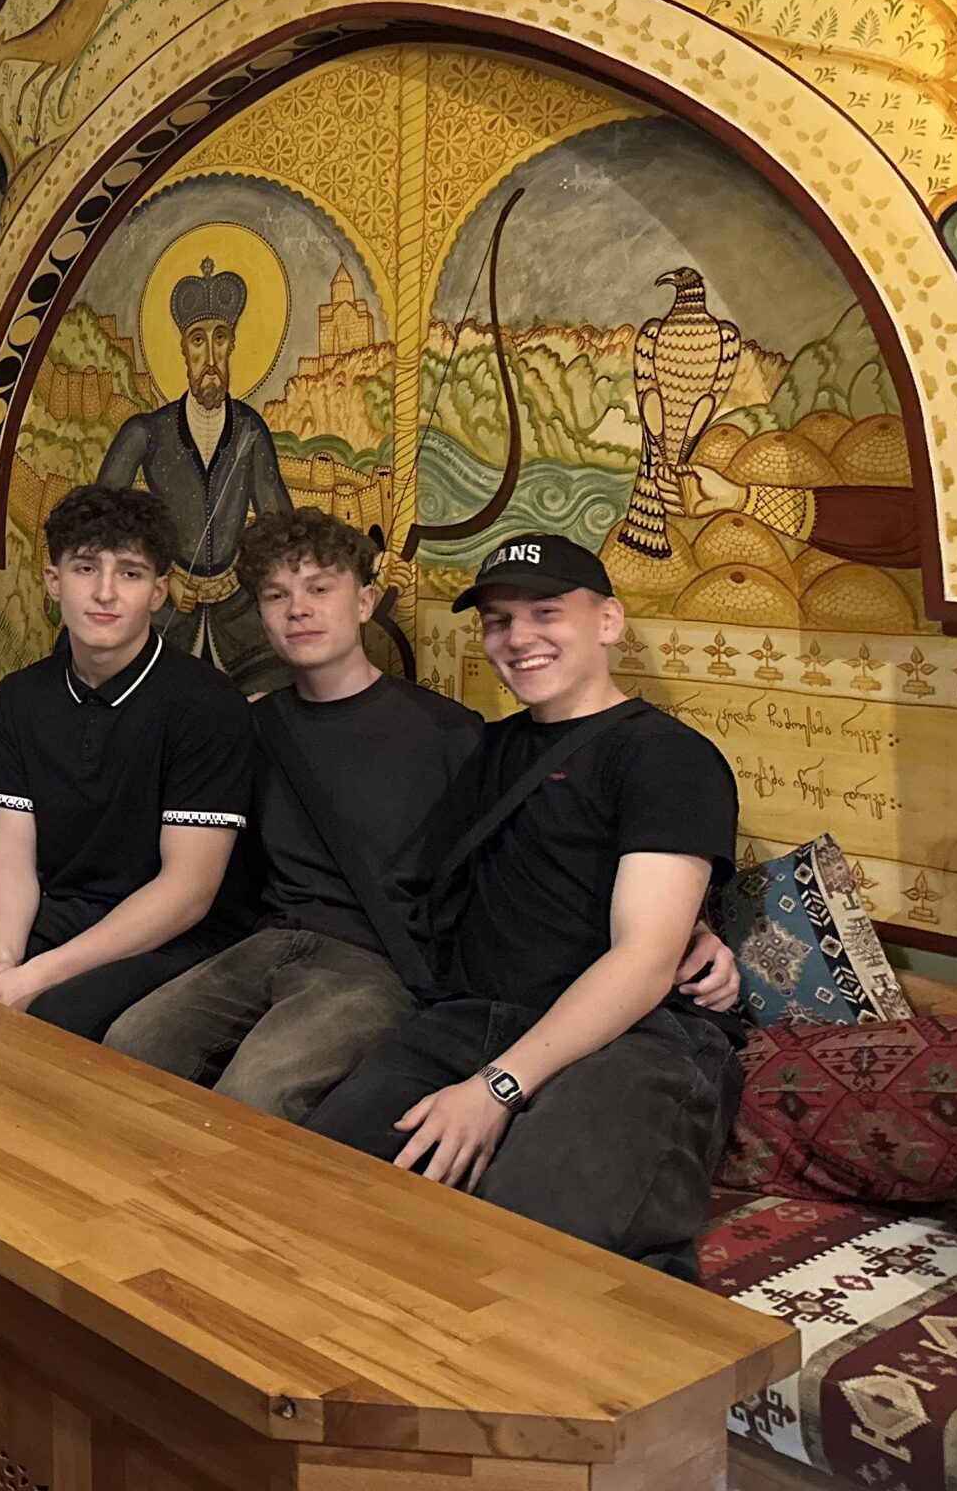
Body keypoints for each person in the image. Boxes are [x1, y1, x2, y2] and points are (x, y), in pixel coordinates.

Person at [307, 533, 744, 1276]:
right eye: (499, 621)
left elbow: (643, 959)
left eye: (546, 612)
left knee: (530, 1242)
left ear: (608, 621)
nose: (518, 638)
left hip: (631, 1037)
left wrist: (495, 1089)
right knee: (311, 1188)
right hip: (472, 1019)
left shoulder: (664, 755)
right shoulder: (490, 750)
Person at [103, 507, 482, 1114]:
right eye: (276, 595)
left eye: (320, 589)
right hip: (270, 941)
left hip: (376, 960)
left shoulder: (446, 732)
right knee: (131, 1044)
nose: (297, 609)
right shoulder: (251, 726)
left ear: (364, 602)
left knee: (256, 1091)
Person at [0, 484, 254, 1041]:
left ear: (158, 592)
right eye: (86, 568)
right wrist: (4, 961)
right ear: (53, 581)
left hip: (176, 937)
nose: (105, 592)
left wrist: (38, 975)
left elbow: (187, 892)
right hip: (58, 913)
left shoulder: (207, 705)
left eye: (130, 574)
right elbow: (10, 853)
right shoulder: (23, 697)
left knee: (52, 1022)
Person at [95, 256, 293, 692]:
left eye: (220, 338)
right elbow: (99, 524)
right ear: (182, 350)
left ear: (232, 345)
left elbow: (282, 526)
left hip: (238, 613)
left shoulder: (251, 430)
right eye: (197, 340)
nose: (210, 356)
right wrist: (161, 576)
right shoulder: (146, 432)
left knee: (278, 689)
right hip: (166, 610)